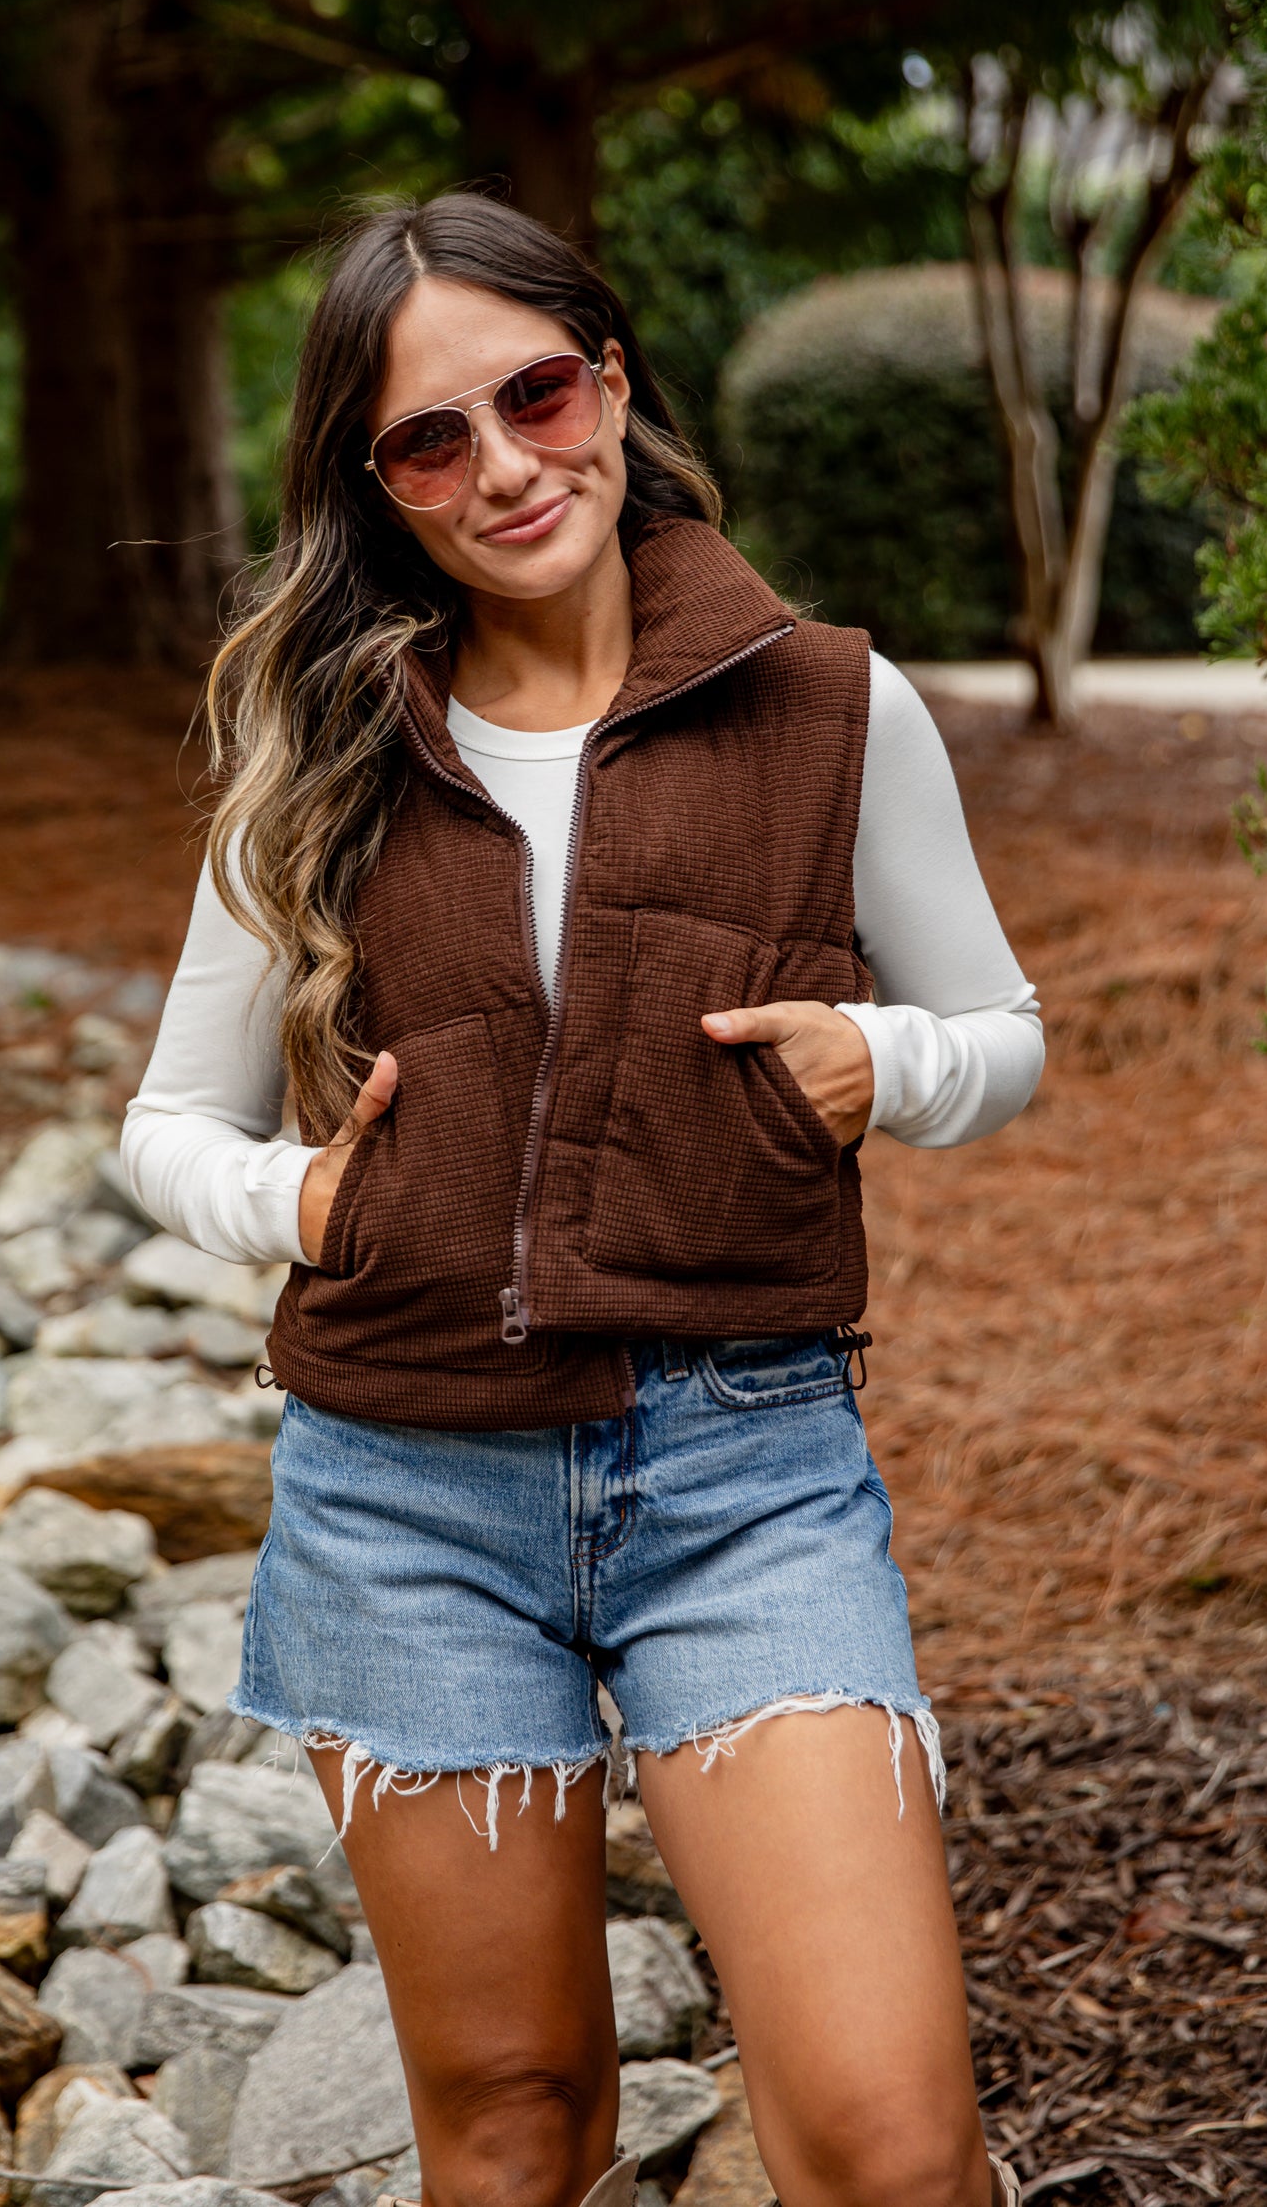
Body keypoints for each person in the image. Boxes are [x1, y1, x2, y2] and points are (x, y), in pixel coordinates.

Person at [122, 190, 1043, 2207]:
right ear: (375, 484)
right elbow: (166, 1127)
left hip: (748, 1470)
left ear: (612, 384)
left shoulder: (831, 704)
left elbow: (1005, 1032)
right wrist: (304, 1207)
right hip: (404, 1492)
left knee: (893, 2138)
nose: (504, 467)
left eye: (535, 394)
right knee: (516, 2117)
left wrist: (884, 1061)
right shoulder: (327, 742)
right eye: (428, 440)